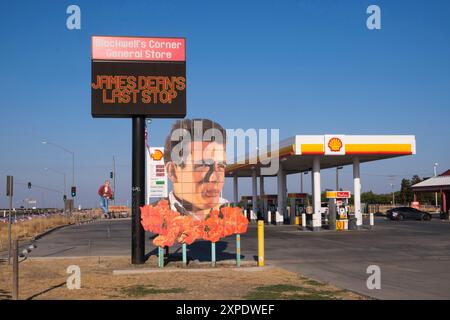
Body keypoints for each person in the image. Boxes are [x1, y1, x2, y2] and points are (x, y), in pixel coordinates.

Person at [164, 118, 229, 221]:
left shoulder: (230, 215)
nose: (214, 178)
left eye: (220, 166)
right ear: (172, 171)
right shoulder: (152, 217)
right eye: (202, 165)